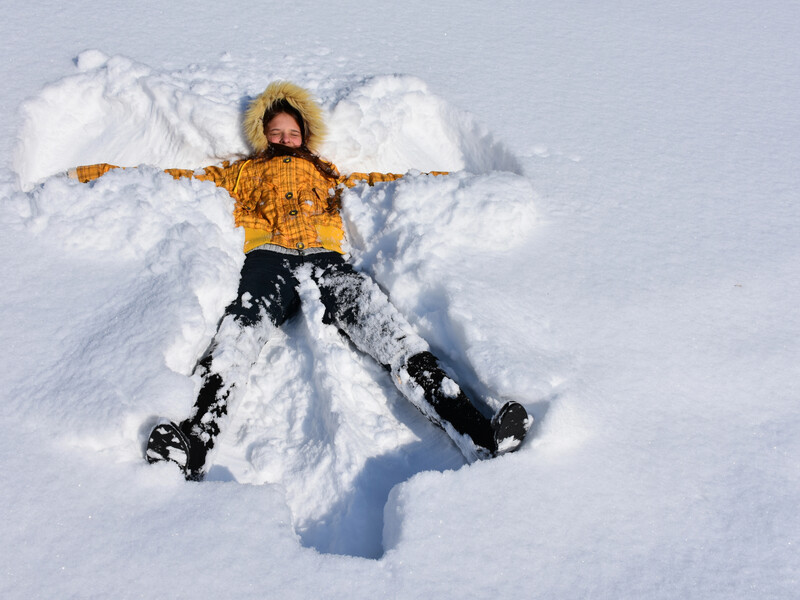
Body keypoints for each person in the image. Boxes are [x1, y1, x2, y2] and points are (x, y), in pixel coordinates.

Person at [72, 81, 529, 480]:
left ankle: (479, 434)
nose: (285, 139)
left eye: (293, 133)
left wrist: (468, 181)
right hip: (267, 261)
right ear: (263, 136)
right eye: (276, 133)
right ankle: (193, 444)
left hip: (327, 261)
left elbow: (390, 180)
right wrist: (90, 175)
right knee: (235, 341)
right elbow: (175, 179)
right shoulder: (242, 172)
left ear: (305, 136)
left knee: (392, 335)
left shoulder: (325, 173)